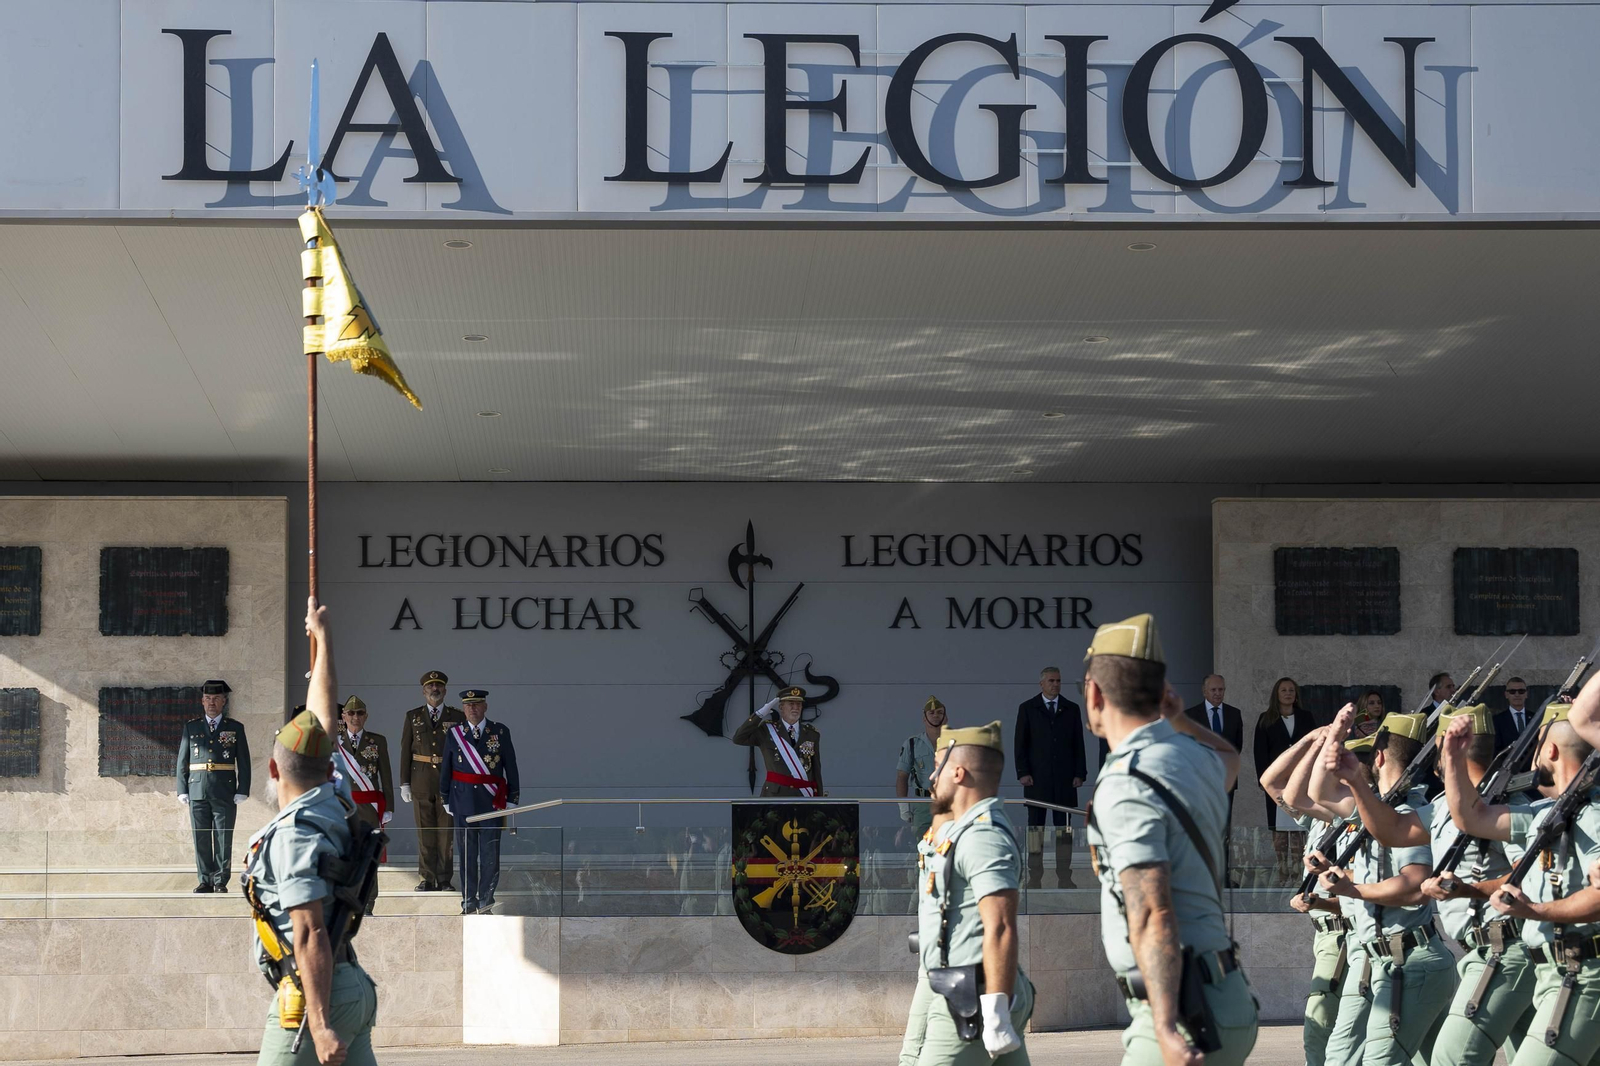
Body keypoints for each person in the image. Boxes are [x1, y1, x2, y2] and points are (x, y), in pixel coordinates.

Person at [1082, 612, 1258, 1066]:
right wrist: (1179, 720)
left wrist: (1163, 1026)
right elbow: (1230, 757)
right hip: (1228, 1000)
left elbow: (1153, 911)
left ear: (1094, 693)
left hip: (1182, 1012)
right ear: (1163, 694)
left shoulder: (1125, 782)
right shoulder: (1196, 759)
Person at [246, 597, 378, 1066]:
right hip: (353, 987)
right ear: (328, 766)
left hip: (313, 998)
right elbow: (322, 718)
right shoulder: (334, 800)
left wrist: (319, 1026)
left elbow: (309, 931)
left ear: (272, 770)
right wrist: (323, 638)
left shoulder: (295, 833)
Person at [1464, 680, 1600, 1066]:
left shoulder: (1592, 813)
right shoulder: (1552, 812)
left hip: (1582, 971)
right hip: (1552, 971)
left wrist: (1533, 912)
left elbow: (1583, 716)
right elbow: (1472, 817)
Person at [1311, 709, 1457, 1066]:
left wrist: (1352, 890)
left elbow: (1414, 887)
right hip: (1389, 959)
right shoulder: (1378, 809)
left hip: (1410, 960)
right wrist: (1335, 736)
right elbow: (1315, 793)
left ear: (1377, 757)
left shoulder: (1411, 810)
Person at [899, 720, 1031, 1066]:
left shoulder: (983, 837)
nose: (930, 778)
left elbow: (1000, 925)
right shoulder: (962, 829)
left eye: (937, 767)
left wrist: (996, 1011)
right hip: (956, 983)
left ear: (957, 773)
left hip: (973, 995)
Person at [1422, 705, 1539, 1066]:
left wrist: (1468, 890)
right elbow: (1391, 828)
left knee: (1452, 1057)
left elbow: (1527, 877)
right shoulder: (1442, 805)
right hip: (1478, 949)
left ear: (1446, 747)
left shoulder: (1506, 803)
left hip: (1506, 948)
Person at [1259, 723, 1348, 1066]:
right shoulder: (1319, 820)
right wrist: (1311, 740)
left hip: (1342, 933)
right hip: (1325, 936)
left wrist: (1321, 901)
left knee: (1319, 1029)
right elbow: (1270, 782)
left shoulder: (1346, 816)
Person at [440, 690, 520, 915]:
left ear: (485, 706)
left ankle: (485, 902)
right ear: (463, 708)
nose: (472, 709)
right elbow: (446, 767)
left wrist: (513, 798)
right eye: (468, 705)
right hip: (462, 801)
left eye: (476, 704)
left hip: (491, 803)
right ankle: (468, 903)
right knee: (466, 855)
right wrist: (445, 796)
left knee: (490, 856)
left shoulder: (500, 731)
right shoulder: (454, 733)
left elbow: (510, 766)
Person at [1014, 666, 1086, 889]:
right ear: (1042, 684)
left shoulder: (1071, 709)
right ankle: (1034, 876)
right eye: (1052, 681)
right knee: (1035, 830)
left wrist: (1079, 773)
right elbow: (1020, 744)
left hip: (1065, 781)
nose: (1056, 684)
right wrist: (1023, 772)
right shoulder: (1028, 708)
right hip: (1037, 780)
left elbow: (1078, 744)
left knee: (1063, 831)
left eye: (1058, 681)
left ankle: (1064, 876)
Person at [176, 679, 251, 893]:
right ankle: (205, 880)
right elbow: (183, 760)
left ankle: (220, 880)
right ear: (202, 701)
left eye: (216, 698)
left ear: (223, 701)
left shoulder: (235, 728)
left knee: (223, 837)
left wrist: (242, 789)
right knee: (200, 837)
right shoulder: (191, 727)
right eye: (208, 698)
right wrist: (182, 789)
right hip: (197, 790)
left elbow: (243, 761)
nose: (212, 702)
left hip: (224, 791)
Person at [399, 670, 465, 892]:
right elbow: (405, 751)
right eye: (430, 686)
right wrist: (404, 783)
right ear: (423, 691)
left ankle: (445, 879)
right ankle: (427, 877)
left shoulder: (457, 716)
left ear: (445, 691)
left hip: (448, 782)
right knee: (424, 831)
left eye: (438, 686)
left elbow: (463, 752)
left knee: (446, 833)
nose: (434, 690)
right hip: (420, 780)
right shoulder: (413, 716)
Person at [1254, 677, 1319, 879]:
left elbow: (1314, 746)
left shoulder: (1306, 717)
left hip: (1301, 781)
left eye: (1291, 690)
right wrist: (1264, 781)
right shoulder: (1266, 719)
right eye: (1284, 690)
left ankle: (1299, 869)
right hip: (1277, 783)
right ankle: (1283, 869)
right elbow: (1260, 753)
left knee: (1299, 826)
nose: (1288, 693)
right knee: (1279, 829)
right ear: (1277, 694)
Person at [1186, 674, 1244, 884]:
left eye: (1221, 690)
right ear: (1204, 691)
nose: (1218, 694)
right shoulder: (1190, 715)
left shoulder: (1234, 714)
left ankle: (1223, 876)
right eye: (1214, 690)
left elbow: (1237, 746)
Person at [732, 686, 824, 797]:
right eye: (791, 703)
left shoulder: (811, 734)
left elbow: (816, 770)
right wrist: (759, 714)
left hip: (803, 795)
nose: (795, 708)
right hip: (774, 795)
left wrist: (819, 800)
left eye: (799, 704)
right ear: (781, 707)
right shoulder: (767, 730)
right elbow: (739, 738)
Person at [336, 697, 394, 835]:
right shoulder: (334, 741)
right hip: (343, 805)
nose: (355, 717)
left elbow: (386, 776)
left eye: (360, 713)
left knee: (369, 848)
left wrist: (389, 807)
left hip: (370, 805)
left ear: (366, 716)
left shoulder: (378, 741)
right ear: (343, 716)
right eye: (351, 713)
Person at [897, 696, 947, 836]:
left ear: (945, 716)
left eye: (940, 712)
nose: (936, 715)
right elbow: (902, 776)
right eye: (931, 713)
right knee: (923, 850)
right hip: (923, 803)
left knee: (950, 850)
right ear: (924, 718)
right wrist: (903, 806)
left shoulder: (955, 742)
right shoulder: (912, 744)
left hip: (949, 802)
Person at [1492, 678, 1534, 754]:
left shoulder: (1535, 718)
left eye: (1521, 691)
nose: (1517, 694)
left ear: (1526, 694)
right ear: (1506, 695)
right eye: (1512, 691)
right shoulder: (1497, 721)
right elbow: (1495, 750)